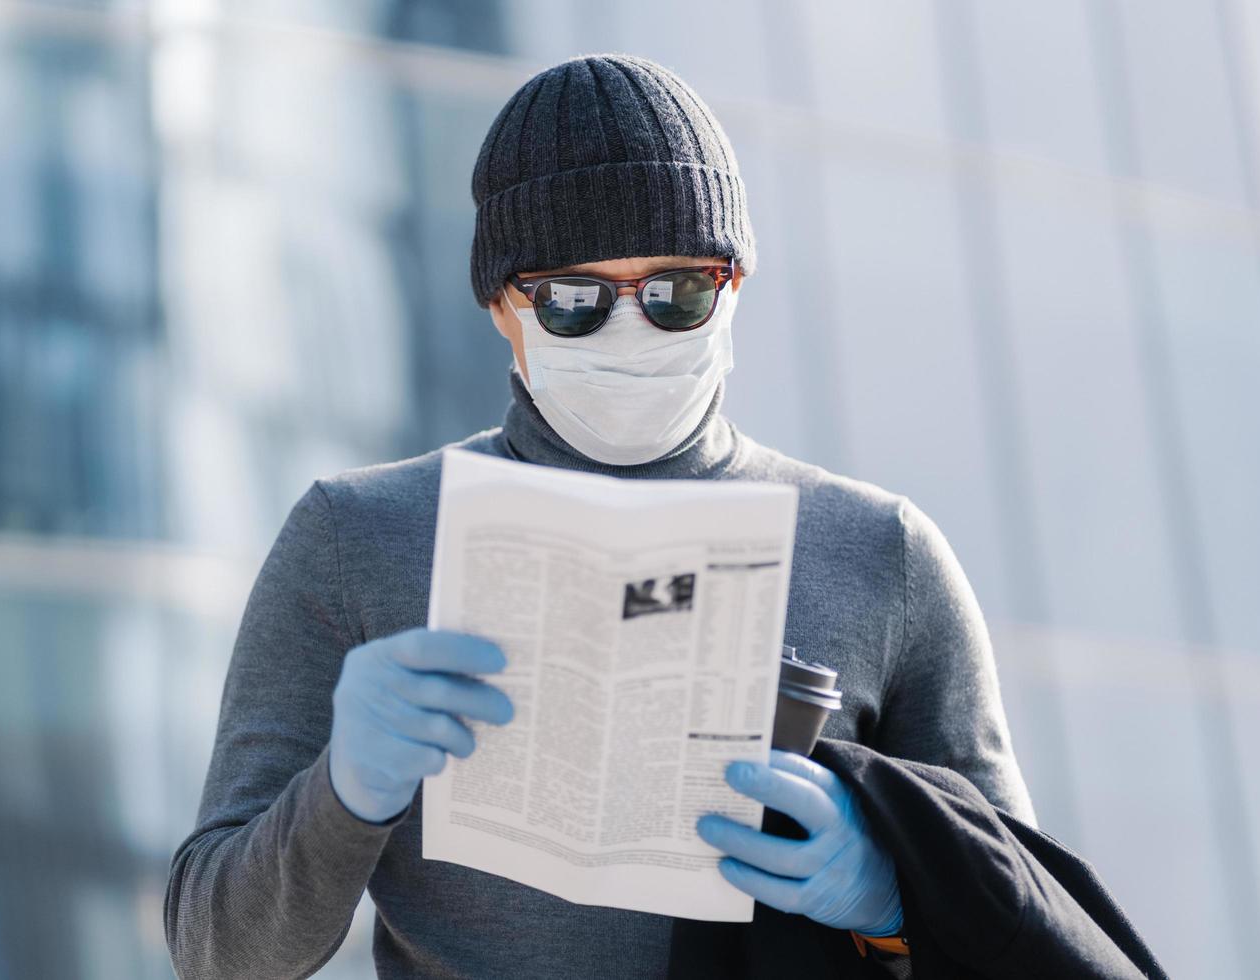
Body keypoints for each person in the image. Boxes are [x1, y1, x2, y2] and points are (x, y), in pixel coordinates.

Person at [164, 53, 1036, 979]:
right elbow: (218, 955)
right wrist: (341, 797)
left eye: (677, 292)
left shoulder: (881, 553)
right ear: (503, 305)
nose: (633, 327)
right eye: (575, 301)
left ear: (733, 286)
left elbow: (1027, 933)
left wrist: (895, 900)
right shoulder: (355, 538)